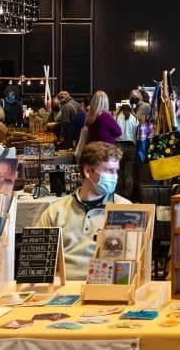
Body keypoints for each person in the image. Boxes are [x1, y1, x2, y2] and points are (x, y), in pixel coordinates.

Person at [38, 142, 131, 280]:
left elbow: (131, 262)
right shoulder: (55, 212)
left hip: (106, 286)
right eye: (109, 171)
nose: (115, 177)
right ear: (88, 171)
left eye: (116, 171)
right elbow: (40, 262)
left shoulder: (126, 210)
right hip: (63, 289)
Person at [114, 103, 140, 200]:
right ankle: (129, 194)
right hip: (131, 146)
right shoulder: (135, 119)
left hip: (119, 146)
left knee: (119, 170)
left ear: (120, 109)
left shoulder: (116, 117)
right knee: (128, 172)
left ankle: (119, 193)